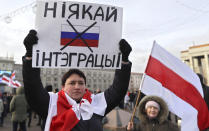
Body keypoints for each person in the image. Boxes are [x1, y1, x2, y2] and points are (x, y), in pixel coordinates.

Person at [22, 30, 132, 131]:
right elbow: (33, 87)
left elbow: (118, 90)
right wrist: (30, 56)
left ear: (85, 87)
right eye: (72, 83)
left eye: (81, 83)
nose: (77, 86)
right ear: (63, 87)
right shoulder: (51, 103)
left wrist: (124, 61)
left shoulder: (96, 103)